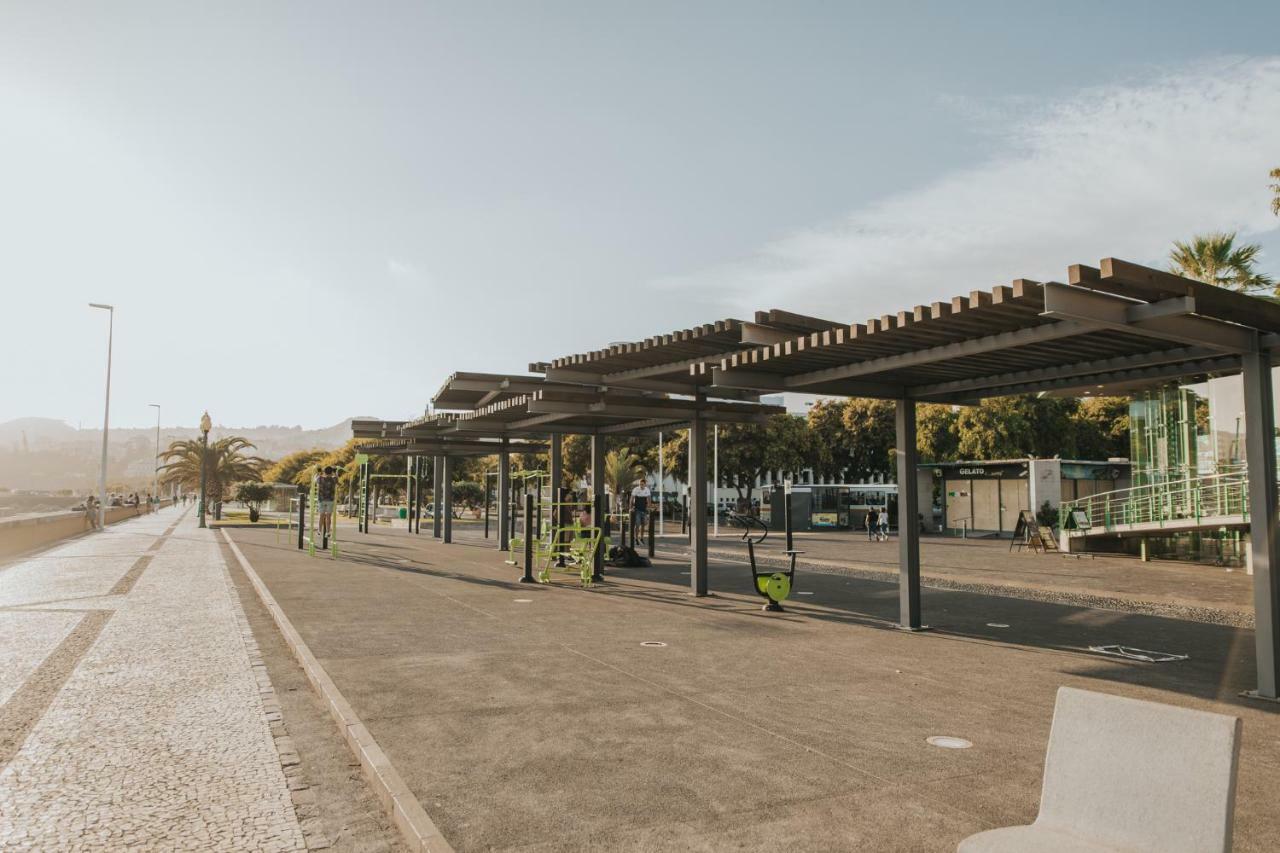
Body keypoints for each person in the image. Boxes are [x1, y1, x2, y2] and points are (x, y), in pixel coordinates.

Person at [316, 466, 338, 542]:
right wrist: (335, 472)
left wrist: (319, 471)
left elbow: (316, 478)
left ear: (324, 472)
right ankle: (328, 532)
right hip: (330, 500)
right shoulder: (333, 479)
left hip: (321, 499)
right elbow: (336, 477)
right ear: (331, 472)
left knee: (321, 515)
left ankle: (319, 530)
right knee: (328, 517)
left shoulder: (320, 478)